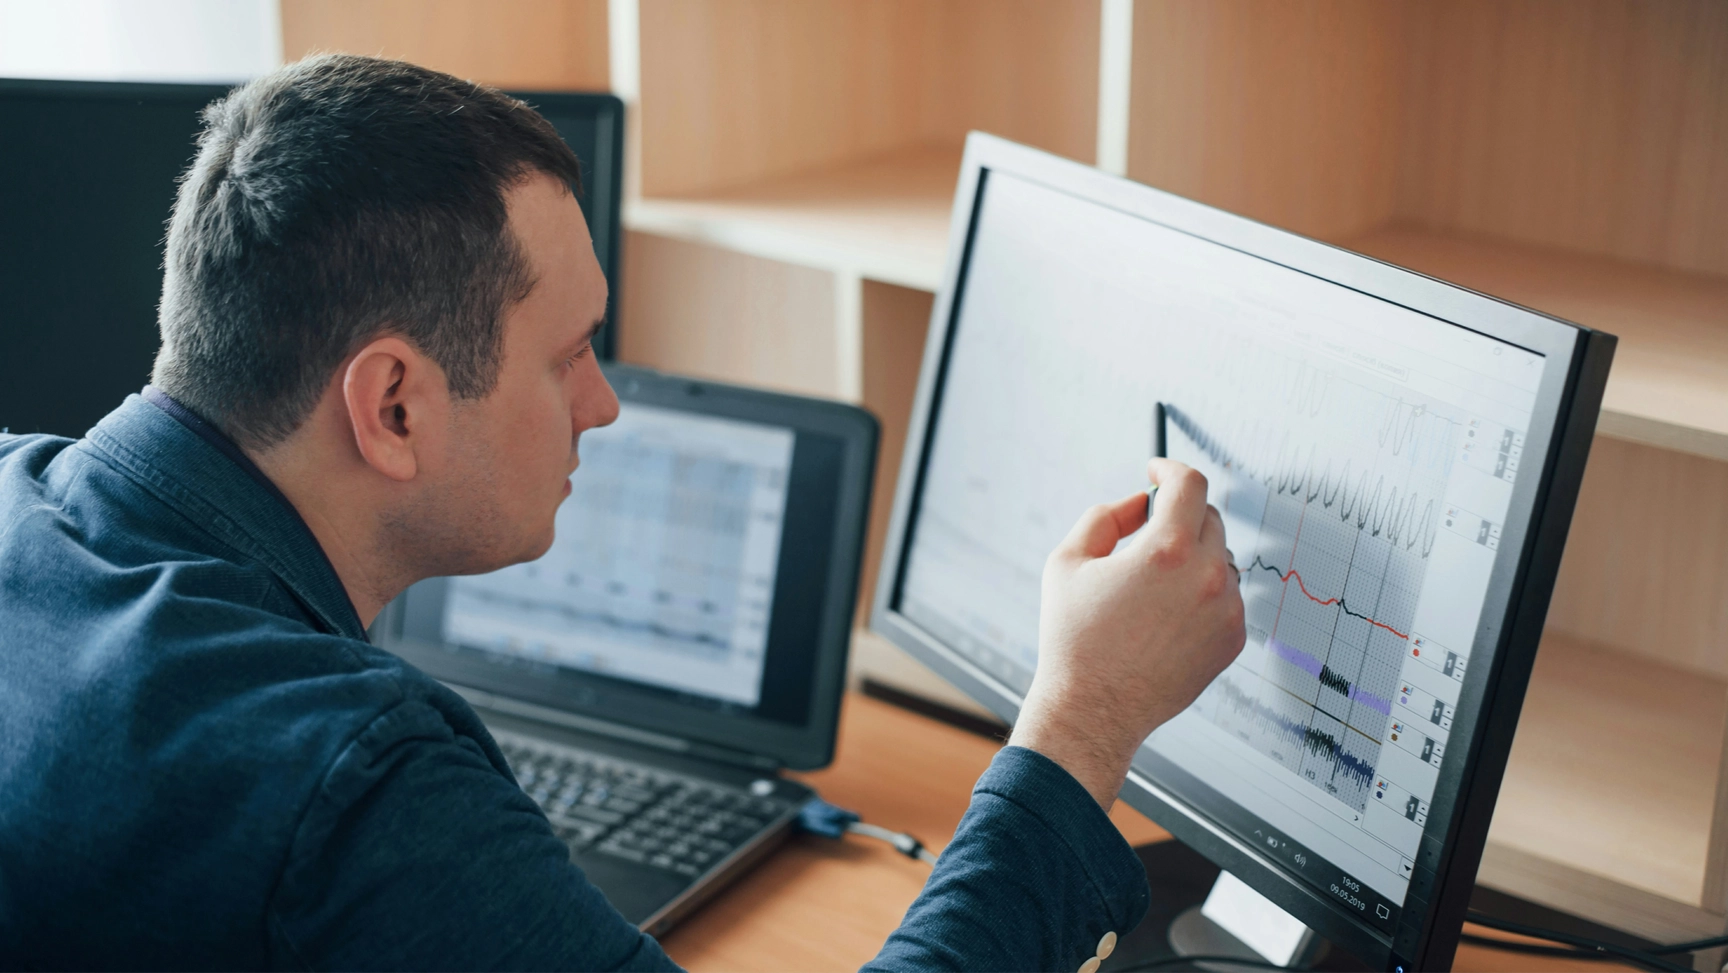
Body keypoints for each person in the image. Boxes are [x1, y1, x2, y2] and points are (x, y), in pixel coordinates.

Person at [0, 55, 1245, 972]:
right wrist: (1085, 720)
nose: (603, 404)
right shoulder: (358, 778)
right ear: (391, 403)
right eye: (571, 353)